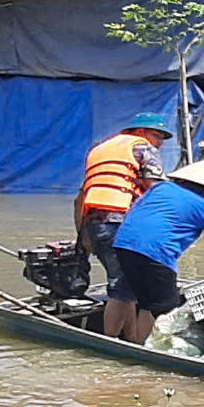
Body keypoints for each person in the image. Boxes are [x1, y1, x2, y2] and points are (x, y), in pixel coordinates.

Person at [101, 160, 204, 345]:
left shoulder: (160, 188)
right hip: (156, 252)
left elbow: (135, 210)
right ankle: (147, 351)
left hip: (123, 243)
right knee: (165, 309)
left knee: (128, 295)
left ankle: (112, 341)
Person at [74, 116, 173, 290]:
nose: (160, 143)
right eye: (157, 136)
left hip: (95, 226)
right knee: (130, 288)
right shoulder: (143, 147)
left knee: (119, 280)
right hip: (122, 224)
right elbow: (156, 190)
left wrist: (83, 237)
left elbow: (80, 200)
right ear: (140, 131)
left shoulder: (99, 150)